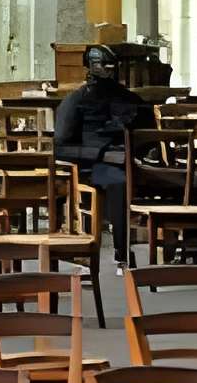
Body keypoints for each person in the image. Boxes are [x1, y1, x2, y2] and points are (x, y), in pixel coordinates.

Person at [54, 44, 150, 255]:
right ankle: (122, 251)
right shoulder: (77, 101)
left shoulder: (128, 99)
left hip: (129, 163)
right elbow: (60, 147)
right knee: (118, 182)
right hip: (100, 166)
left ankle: (194, 249)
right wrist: (101, 154)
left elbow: (149, 136)